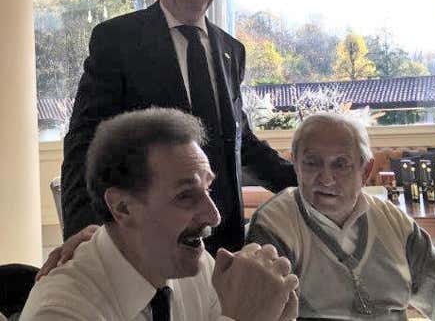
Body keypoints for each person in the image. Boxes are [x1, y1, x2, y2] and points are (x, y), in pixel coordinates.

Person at [61, 0, 295, 252]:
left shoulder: (232, 50)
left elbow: (241, 142)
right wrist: (84, 231)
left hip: (224, 235)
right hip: (153, 238)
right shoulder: (117, 41)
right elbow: (84, 143)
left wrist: (308, 182)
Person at [22, 108, 298, 321]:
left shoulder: (192, 264)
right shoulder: (61, 311)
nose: (213, 216)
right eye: (185, 195)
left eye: (208, 189)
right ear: (122, 208)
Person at [246, 113, 435, 320]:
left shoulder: (393, 222)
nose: (326, 178)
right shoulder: (275, 226)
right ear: (295, 165)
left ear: (365, 171)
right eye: (311, 163)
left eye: (341, 164)